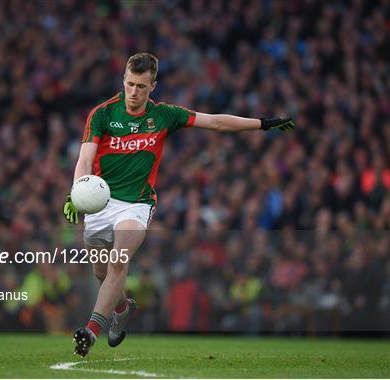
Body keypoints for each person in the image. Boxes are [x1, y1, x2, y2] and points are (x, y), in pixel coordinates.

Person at [63, 52, 294, 356]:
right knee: (101, 272)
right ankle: (120, 308)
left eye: (141, 87)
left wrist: (263, 124)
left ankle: (90, 333)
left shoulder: (164, 115)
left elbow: (216, 123)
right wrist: (76, 192)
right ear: (123, 80)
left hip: (136, 204)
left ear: (153, 86)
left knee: (119, 261)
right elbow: (85, 159)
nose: (134, 92)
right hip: (100, 200)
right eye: (130, 84)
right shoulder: (102, 114)